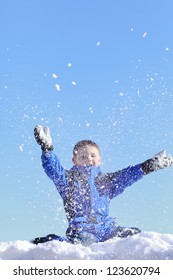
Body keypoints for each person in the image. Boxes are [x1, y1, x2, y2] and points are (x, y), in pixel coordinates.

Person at [32, 125, 173, 245]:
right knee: (63, 246)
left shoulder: (105, 180)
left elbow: (128, 176)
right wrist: (47, 149)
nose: (88, 158)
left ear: (99, 160)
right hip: (81, 233)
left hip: (106, 230)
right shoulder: (69, 180)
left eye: (93, 155)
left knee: (135, 235)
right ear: (74, 160)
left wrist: (149, 166)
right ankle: (45, 244)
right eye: (83, 156)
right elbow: (54, 170)